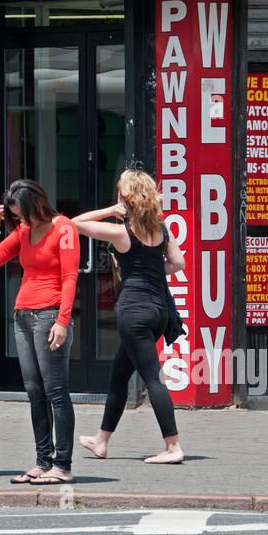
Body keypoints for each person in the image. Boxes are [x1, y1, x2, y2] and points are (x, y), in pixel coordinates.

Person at [74, 169, 186, 465]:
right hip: (159, 312)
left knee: (153, 378)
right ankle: (101, 441)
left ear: (127, 198)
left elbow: (74, 224)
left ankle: (173, 446)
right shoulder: (162, 230)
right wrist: (149, 270)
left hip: (134, 312)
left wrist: (110, 210)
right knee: (119, 377)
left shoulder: (121, 232)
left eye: (120, 193)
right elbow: (178, 263)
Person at [0, 179, 80, 485]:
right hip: (22, 317)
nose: (19, 220)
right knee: (34, 392)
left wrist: (63, 321)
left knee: (56, 392)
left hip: (50, 316)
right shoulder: (24, 231)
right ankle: (43, 461)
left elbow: (69, 277)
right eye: (14, 216)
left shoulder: (63, 228)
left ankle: (62, 465)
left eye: (21, 214)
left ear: (36, 204)